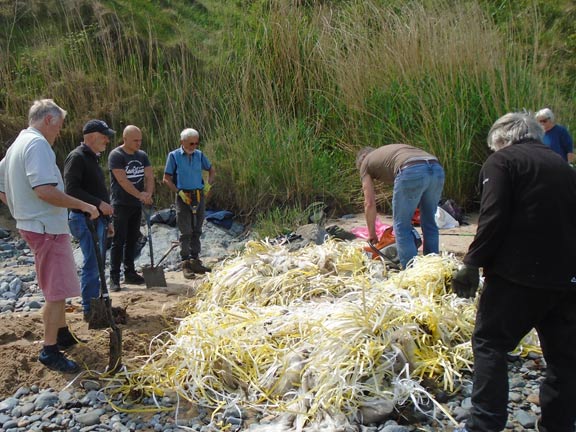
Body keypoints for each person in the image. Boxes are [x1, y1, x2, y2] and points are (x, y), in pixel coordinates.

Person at [451, 112, 576, 432]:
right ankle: (558, 424)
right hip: (565, 278)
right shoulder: (564, 167)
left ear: (502, 140)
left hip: (517, 276)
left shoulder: (503, 162)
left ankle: (485, 424)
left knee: (490, 342)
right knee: (564, 358)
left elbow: (493, 216)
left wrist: (472, 263)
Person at [0, 99, 99, 373]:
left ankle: (63, 333)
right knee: (56, 292)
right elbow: (45, 190)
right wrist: (84, 205)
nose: (59, 133)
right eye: (59, 127)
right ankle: (49, 349)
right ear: (49, 121)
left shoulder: (18, 144)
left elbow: (1, 181)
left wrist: (19, 208)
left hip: (36, 224)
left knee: (60, 284)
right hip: (45, 228)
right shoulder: (37, 145)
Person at [356, 144, 445, 269]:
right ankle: (433, 267)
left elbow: (369, 202)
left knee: (402, 226)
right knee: (429, 221)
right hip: (436, 168)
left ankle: (411, 271)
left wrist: (372, 234)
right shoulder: (386, 154)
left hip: (411, 169)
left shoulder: (365, 163)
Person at [64, 119, 115, 321]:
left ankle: (95, 303)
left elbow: (97, 190)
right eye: (104, 136)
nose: (107, 140)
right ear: (92, 136)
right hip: (83, 218)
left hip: (97, 219)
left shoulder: (92, 158)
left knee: (98, 263)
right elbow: (71, 190)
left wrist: (107, 218)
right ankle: (88, 308)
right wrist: (98, 204)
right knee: (93, 264)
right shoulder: (76, 157)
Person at [163, 128, 215, 279]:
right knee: (185, 231)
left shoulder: (199, 155)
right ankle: (185, 263)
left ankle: (195, 260)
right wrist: (178, 191)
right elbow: (166, 178)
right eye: (191, 143)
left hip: (198, 195)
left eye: (196, 143)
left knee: (197, 228)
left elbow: (211, 170)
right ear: (182, 142)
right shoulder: (174, 156)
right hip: (183, 196)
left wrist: (208, 185)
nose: (194, 146)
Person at [108, 125, 154, 291]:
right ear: (125, 139)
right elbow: (122, 181)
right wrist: (139, 194)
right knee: (118, 240)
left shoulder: (142, 155)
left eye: (140, 140)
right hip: (121, 204)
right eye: (135, 140)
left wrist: (148, 193)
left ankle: (130, 273)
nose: (138, 143)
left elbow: (149, 175)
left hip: (136, 204)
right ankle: (114, 277)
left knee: (133, 239)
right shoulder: (116, 155)